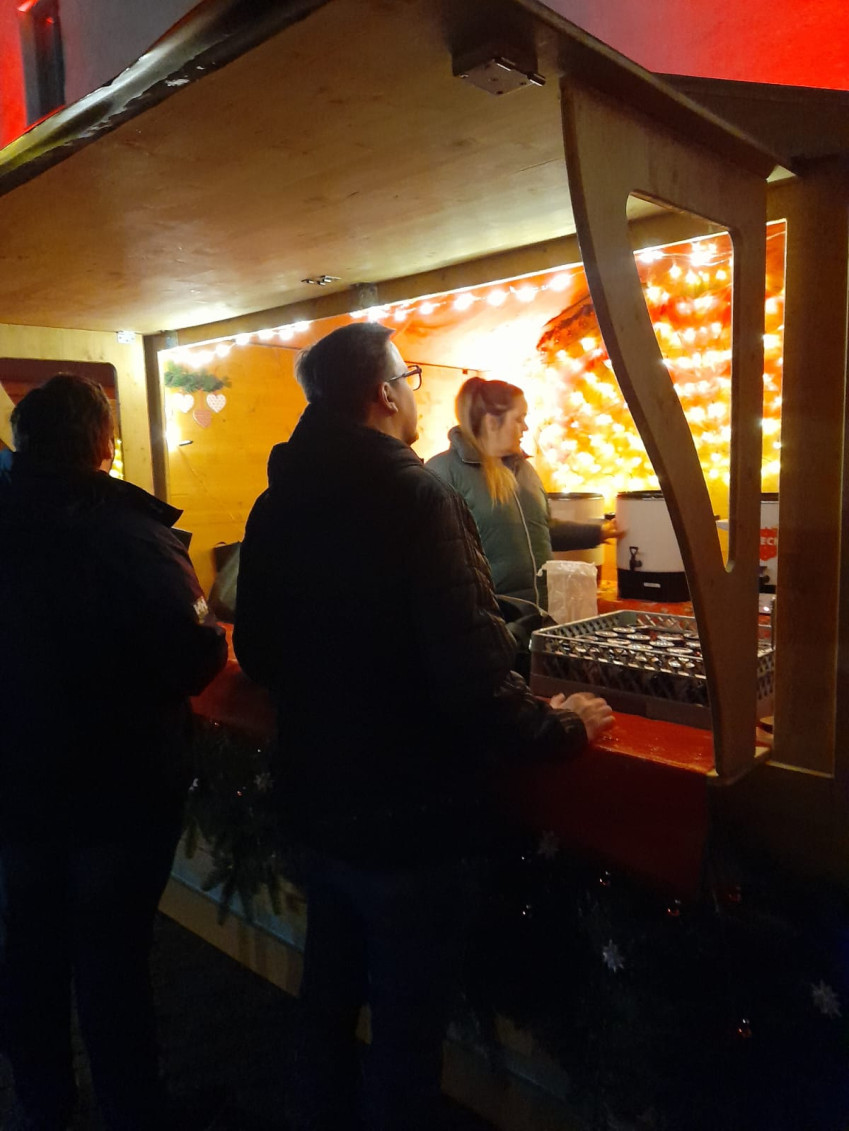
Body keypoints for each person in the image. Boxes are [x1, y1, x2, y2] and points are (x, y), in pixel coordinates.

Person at [234, 323, 613, 1131]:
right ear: (383, 393)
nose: (412, 392)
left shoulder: (277, 500)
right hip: (412, 823)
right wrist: (563, 728)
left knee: (326, 1007)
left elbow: (259, 650)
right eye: (406, 377)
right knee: (405, 1043)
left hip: (317, 805)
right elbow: (474, 679)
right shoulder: (417, 496)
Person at [0, 375, 228, 1131]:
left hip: (15, 787)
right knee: (112, 958)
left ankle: (42, 1104)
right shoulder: (128, 533)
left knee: (29, 950)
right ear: (103, 443)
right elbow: (190, 655)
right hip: (116, 788)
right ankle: (132, 1109)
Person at [426, 376, 618, 610]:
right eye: (519, 419)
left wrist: (598, 532)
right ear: (492, 423)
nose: (525, 427)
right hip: (489, 618)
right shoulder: (444, 473)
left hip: (538, 612)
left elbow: (542, 530)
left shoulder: (525, 471)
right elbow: (435, 560)